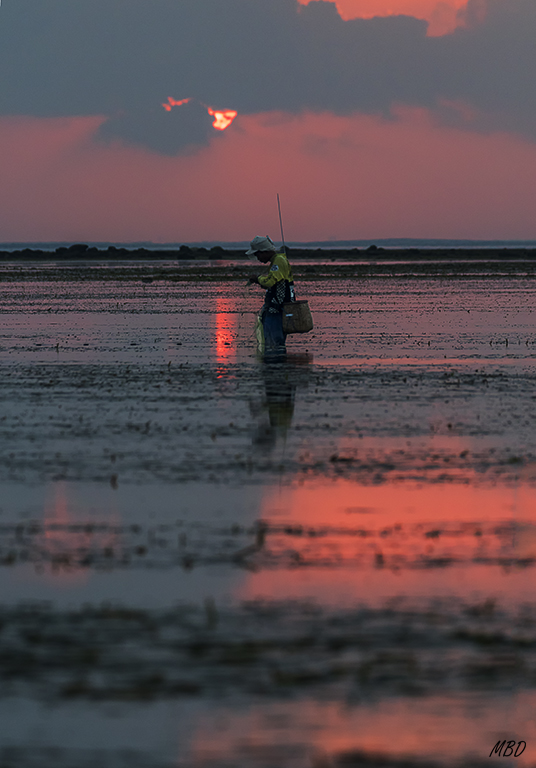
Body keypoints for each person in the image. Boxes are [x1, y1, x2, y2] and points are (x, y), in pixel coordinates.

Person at [246, 235, 296, 355]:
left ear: (264, 252)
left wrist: (258, 279)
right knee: (274, 341)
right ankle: (276, 367)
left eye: (258, 254)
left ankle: (274, 368)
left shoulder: (278, 261)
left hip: (277, 309)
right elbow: (274, 283)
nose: (257, 258)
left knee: (274, 341)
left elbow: (270, 282)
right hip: (278, 308)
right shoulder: (277, 260)